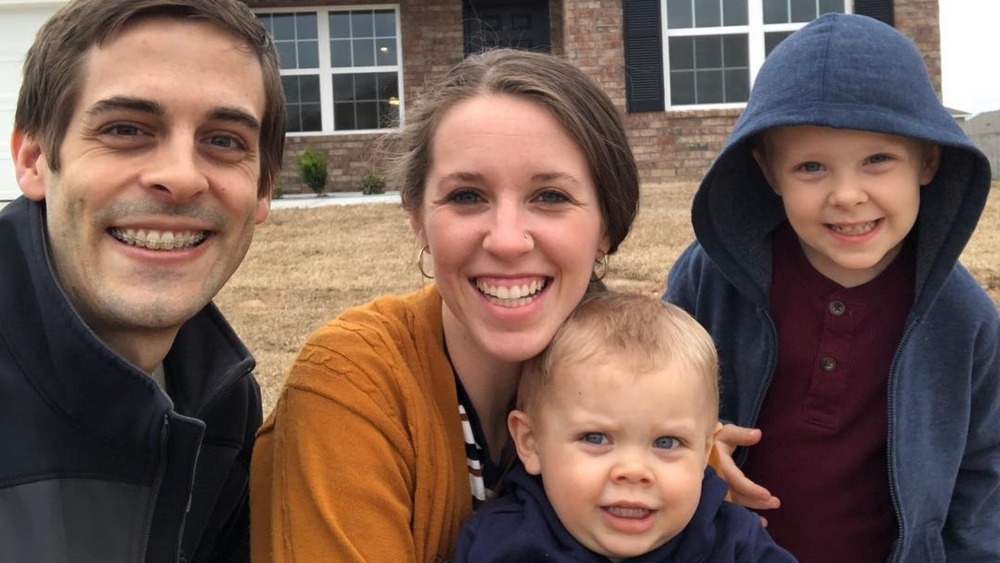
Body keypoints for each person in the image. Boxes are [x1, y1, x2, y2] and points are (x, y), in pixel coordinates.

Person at [250, 48, 640, 562]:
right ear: (417, 218)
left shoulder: (652, 385)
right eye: (466, 197)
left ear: (606, 226)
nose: (506, 240)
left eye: (550, 197)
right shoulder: (352, 382)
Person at [663, 13, 998, 563]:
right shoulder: (710, 278)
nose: (847, 194)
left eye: (878, 160)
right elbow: (644, 397)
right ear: (770, 174)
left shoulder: (964, 318)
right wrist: (690, 444)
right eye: (811, 166)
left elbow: (983, 475)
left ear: (928, 160)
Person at [0, 0, 285, 561]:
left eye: (224, 140)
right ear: (34, 159)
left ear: (262, 191)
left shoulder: (223, 404)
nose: (180, 177)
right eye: (126, 129)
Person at [452, 292, 796, 562]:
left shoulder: (735, 545)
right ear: (531, 442)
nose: (634, 471)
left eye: (667, 442)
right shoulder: (498, 545)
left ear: (706, 452)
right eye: (596, 438)